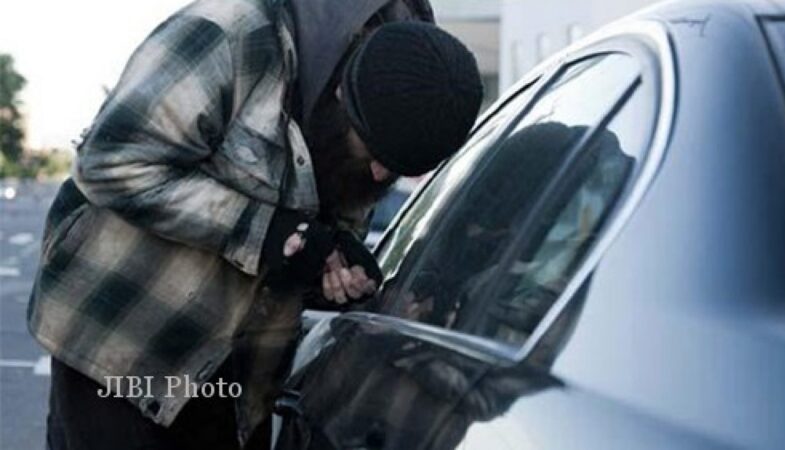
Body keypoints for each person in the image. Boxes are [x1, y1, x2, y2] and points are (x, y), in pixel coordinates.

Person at [27, 0, 483, 448]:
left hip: (241, 382)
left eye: (398, 167)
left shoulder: (411, 79)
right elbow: (112, 161)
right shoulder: (231, 31)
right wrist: (268, 233)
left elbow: (306, 231)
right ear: (344, 91)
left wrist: (326, 265)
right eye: (375, 153)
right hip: (125, 350)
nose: (382, 175)